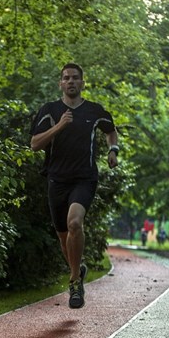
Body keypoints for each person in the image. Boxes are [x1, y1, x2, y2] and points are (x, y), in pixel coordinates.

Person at [29, 63, 119, 309]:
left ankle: (74, 283)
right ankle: (77, 269)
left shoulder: (94, 110)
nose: (70, 81)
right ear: (60, 83)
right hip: (56, 180)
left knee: (75, 223)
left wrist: (113, 149)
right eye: (66, 78)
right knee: (63, 236)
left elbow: (111, 131)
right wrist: (59, 126)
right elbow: (35, 144)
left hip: (84, 178)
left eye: (75, 78)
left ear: (82, 83)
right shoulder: (49, 111)